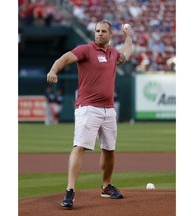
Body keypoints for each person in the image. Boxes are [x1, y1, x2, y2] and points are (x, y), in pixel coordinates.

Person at [47, 20, 133, 208]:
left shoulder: (112, 54)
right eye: (97, 31)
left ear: (110, 35)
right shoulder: (85, 50)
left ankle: (106, 186)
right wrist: (54, 70)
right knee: (80, 146)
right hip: (88, 108)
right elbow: (64, 59)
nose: (99, 34)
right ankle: (70, 190)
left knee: (109, 149)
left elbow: (127, 53)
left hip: (108, 109)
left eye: (104, 31)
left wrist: (128, 36)